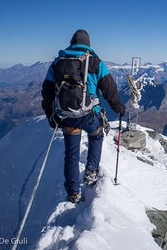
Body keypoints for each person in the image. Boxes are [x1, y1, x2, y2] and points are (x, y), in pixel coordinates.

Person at [41, 29, 126, 203]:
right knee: (96, 137)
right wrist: (119, 109)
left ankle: (73, 192)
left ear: (72, 43)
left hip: (67, 116)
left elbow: (47, 92)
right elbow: (110, 90)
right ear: (87, 44)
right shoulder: (96, 63)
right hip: (90, 115)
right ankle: (91, 172)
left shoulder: (57, 63)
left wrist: (51, 116)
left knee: (71, 154)